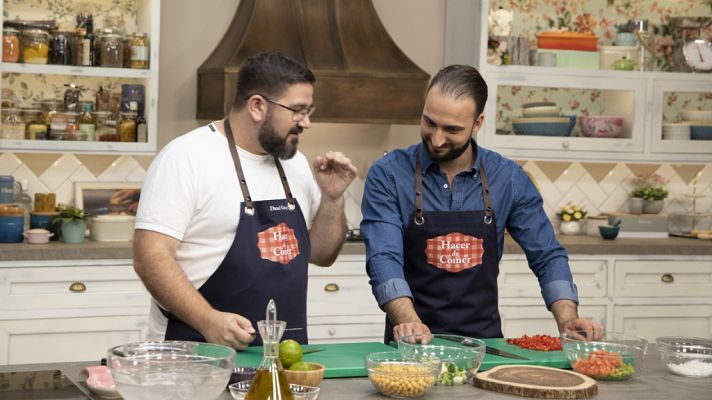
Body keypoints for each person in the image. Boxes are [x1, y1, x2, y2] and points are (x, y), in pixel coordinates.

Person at [360, 64, 602, 343]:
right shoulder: (389, 174)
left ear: (477, 123)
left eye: (452, 129)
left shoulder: (508, 178)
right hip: (411, 343)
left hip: (484, 346)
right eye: (429, 123)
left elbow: (547, 255)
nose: (437, 139)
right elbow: (384, 258)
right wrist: (409, 322)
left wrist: (567, 318)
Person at [133, 52, 357, 350]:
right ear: (257, 106)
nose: (307, 122)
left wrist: (331, 199)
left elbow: (321, 254)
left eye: (309, 110)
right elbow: (150, 257)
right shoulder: (186, 158)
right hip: (194, 354)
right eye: (298, 110)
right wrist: (207, 320)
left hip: (284, 357)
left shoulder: (297, 164)